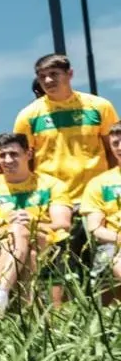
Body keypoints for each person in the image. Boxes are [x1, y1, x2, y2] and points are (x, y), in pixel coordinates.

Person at [0, 133, 73, 311]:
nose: (7, 160)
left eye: (14, 154)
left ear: (29, 154)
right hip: (3, 244)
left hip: (44, 240)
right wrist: (12, 228)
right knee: (27, 252)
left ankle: (0, 289)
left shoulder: (51, 185)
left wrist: (31, 223)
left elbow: (63, 224)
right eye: (2, 155)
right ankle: (27, 314)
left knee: (20, 230)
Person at [13, 54, 118, 203]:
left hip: (97, 196)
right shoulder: (28, 115)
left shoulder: (100, 106)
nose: (48, 80)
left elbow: (113, 150)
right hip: (52, 199)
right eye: (42, 76)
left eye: (54, 74)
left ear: (70, 74)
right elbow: (23, 161)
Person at [82, 124, 121, 293]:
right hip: (114, 243)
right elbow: (95, 228)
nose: (120, 148)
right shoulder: (100, 183)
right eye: (115, 143)